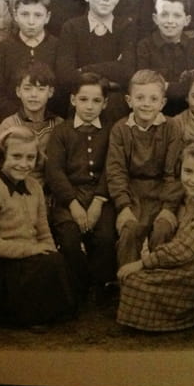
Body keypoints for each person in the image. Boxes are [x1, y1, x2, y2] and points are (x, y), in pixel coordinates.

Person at [116, 139, 194, 332]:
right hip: (192, 264)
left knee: (134, 281)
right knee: (134, 280)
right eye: (188, 171)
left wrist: (142, 263)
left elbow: (184, 250)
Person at [0, 126, 77, 328]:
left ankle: (44, 311)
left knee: (57, 260)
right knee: (42, 266)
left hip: (28, 260)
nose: (24, 164)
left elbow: (44, 232)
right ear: (2, 157)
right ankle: (26, 316)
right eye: (16, 156)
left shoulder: (35, 187)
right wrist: (31, 250)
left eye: (30, 158)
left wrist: (49, 251)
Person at [45, 72, 117, 304]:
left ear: (105, 103)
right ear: (73, 99)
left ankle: (100, 286)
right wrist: (72, 204)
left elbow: (112, 168)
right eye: (84, 99)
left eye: (97, 101)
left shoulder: (111, 131)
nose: (89, 106)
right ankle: (78, 286)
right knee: (69, 240)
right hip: (69, 197)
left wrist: (98, 201)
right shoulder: (61, 132)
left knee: (105, 238)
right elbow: (54, 171)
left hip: (100, 196)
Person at [107, 69, 185, 268]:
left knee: (163, 229)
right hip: (132, 194)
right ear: (129, 100)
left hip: (162, 193)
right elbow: (116, 172)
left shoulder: (172, 127)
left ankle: (157, 280)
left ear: (162, 103)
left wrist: (168, 208)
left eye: (153, 99)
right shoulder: (120, 129)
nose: (146, 104)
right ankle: (127, 279)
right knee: (129, 229)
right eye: (140, 97)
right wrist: (123, 206)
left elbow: (173, 173)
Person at [56, 0, 136, 124]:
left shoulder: (126, 27)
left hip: (116, 108)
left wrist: (84, 70)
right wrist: (111, 74)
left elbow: (127, 71)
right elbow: (65, 75)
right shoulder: (72, 28)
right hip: (81, 107)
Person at [0, 0, 61, 120]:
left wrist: (44, 117)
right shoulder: (4, 49)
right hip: (13, 121)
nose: (31, 22)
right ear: (15, 15)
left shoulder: (58, 48)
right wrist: (22, 117)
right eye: (25, 14)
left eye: (38, 15)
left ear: (47, 17)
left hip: (51, 121)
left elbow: (63, 91)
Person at [136, 0, 194, 116]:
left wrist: (165, 86)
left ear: (187, 20)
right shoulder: (144, 47)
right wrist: (181, 87)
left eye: (177, 16)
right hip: (152, 114)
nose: (170, 21)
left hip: (187, 116)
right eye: (164, 15)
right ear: (155, 18)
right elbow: (144, 85)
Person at [0, 61, 63, 187]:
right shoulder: (9, 125)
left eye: (41, 89)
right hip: (15, 188)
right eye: (27, 88)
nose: (33, 95)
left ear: (50, 92)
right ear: (18, 91)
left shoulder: (59, 125)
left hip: (51, 190)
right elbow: (1, 166)